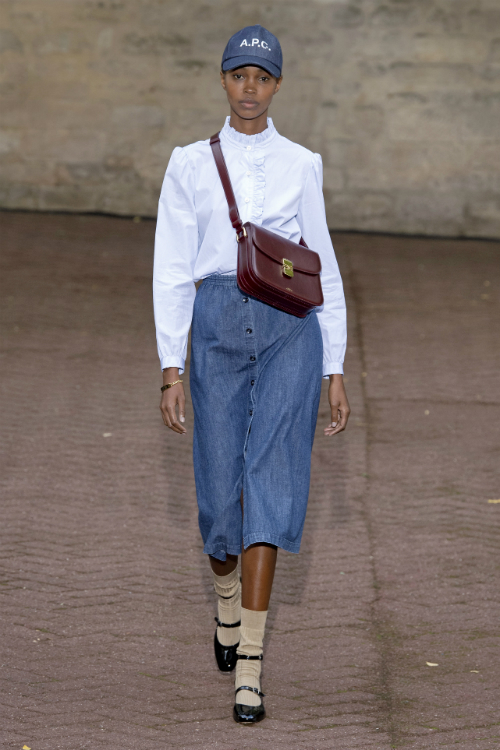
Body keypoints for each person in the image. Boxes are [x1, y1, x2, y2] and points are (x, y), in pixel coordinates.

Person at [153, 24, 350, 724]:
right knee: (218, 497)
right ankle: (227, 602)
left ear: (277, 86)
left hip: (289, 330)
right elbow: (171, 267)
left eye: (262, 78)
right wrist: (170, 366)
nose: (249, 88)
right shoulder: (188, 164)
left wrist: (334, 364)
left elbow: (322, 263)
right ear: (223, 79)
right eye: (239, 75)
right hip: (214, 323)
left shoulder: (302, 163)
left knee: (273, 482)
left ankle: (252, 668)